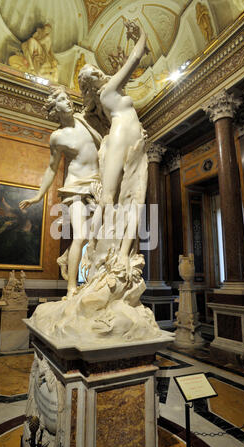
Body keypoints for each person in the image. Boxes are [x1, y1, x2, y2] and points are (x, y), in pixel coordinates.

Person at [19, 86, 102, 298]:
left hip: (97, 184)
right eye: (63, 100)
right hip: (74, 187)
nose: (68, 102)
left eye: (68, 98)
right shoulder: (57, 137)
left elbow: (99, 97)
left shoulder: (85, 119)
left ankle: (81, 270)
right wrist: (39, 195)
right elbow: (52, 168)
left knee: (96, 237)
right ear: (55, 108)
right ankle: (72, 286)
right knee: (80, 235)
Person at [78, 22, 148, 267]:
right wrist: (142, 34)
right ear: (92, 84)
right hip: (123, 137)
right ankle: (91, 250)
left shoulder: (107, 94)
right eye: (93, 74)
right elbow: (136, 58)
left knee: (130, 198)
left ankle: (119, 254)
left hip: (129, 138)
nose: (98, 72)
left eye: (95, 70)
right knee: (111, 198)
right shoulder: (108, 90)